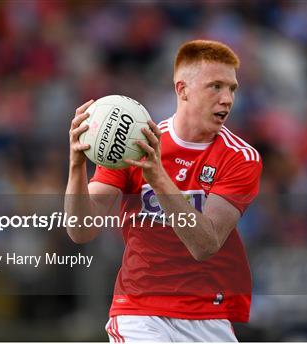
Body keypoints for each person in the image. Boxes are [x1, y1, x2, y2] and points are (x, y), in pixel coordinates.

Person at [65, 40, 262, 342]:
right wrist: (77, 166)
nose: (227, 99)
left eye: (232, 89)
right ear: (182, 89)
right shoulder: (133, 144)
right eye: (215, 87)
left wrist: (158, 178)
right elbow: (81, 230)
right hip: (139, 312)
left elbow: (205, 244)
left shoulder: (240, 158)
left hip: (206, 315)